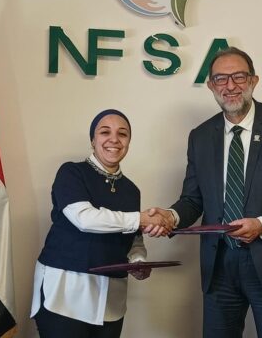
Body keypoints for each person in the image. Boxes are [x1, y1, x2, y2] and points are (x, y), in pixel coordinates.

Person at [146, 47, 262, 338]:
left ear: (253, 80)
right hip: (219, 267)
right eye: (220, 79)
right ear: (211, 86)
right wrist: (171, 216)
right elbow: (193, 199)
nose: (230, 86)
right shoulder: (200, 136)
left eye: (239, 76)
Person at [31, 109, 167, 338]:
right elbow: (84, 218)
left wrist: (138, 261)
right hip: (66, 293)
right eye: (105, 132)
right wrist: (140, 218)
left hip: (111, 301)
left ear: (129, 142)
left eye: (122, 134)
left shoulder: (131, 190)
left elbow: (134, 240)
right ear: (93, 140)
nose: (114, 139)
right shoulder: (71, 172)